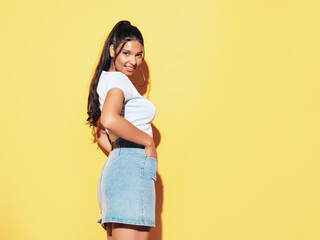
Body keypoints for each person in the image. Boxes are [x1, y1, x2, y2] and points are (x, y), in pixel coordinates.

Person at [86, 20, 157, 240]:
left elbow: (100, 135)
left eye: (139, 55)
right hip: (132, 170)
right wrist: (147, 142)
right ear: (112, 50)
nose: (133, 61)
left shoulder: (105, 80)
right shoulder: (118, 79)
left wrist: (119, 156)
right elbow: (108, 120)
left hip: (118, 170)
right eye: (126, 53)